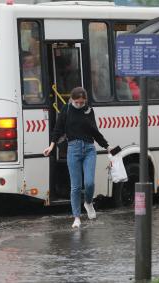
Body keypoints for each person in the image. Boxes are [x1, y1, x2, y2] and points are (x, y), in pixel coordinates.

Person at [43, 87, 111, 229]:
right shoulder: (66, 110)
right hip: (73, 150)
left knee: (89, 183)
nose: (80, 105)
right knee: (75, 186)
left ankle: (88, 202)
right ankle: (76, 218)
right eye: (77, 102)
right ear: (72, 100)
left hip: (89, 149)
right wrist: (51, 146)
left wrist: (107, 146)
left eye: (82, 102)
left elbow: (95, 131)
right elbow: (58, 129)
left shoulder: (89, 110)